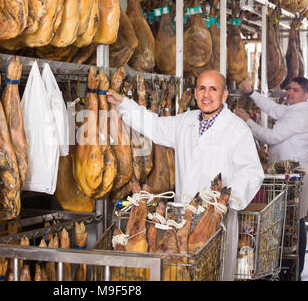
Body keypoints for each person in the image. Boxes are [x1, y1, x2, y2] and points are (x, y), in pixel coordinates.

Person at [107, 70, 264, 281]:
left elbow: (252, 172)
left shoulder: (237, 129)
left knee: (211, 273)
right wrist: (124, 103)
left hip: (215, 220)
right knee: (180, 274)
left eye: (213, 89)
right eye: (202, 88)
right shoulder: (185, 122)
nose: (206, 95)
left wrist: (223, 202)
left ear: (224, 94)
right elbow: (154, 125)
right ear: (196, 92)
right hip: (183, 217)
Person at [235, 76, 308, 280]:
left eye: (295, 90)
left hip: (296, 175)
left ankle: (295, 268)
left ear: (305, 94)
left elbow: (270, 137)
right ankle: (284, 265)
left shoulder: (300, 115)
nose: (289, 92)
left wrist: (248, 121)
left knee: (296, 220)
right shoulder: (291, 109)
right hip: (282, 173)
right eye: (288, 89)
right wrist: (251, 93)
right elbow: (274, 109)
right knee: (287, 219)